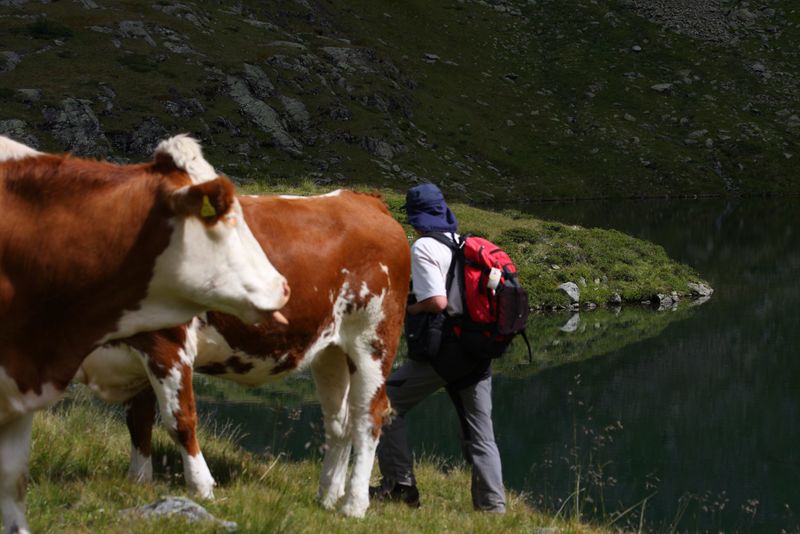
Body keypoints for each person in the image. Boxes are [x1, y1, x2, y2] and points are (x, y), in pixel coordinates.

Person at [370, 183, 506, 513]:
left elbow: (436, 301)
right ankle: (492, 510)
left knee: (384, 403)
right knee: (481, 434)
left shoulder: (424, 247)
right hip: (478, 350)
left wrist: (404, 308)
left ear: (414, 218)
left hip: (446, 352)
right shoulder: (463, 243)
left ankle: (400, 486)